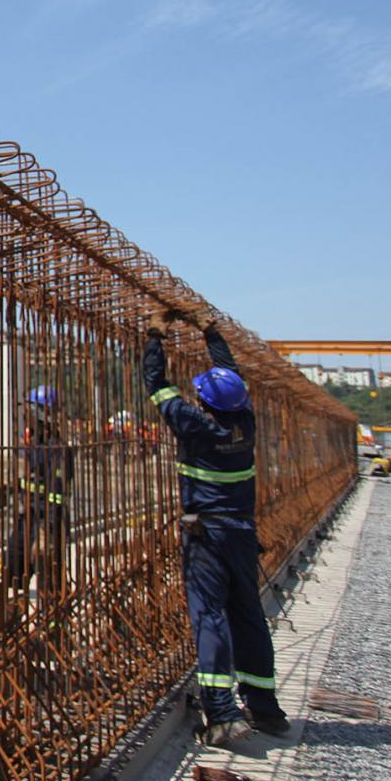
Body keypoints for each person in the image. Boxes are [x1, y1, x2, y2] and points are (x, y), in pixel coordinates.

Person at [145, 309, 288, 748]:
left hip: (205, 537)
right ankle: (265, 707)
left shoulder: (196, 425)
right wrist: (211, 334)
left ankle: (223, 713)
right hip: (241, 534)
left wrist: (155, 335)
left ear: (203, 401)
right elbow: (231, 376)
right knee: (248, 615)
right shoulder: (244, 423)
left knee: (209, 616)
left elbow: (157, 385)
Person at [3, 385, 74, 608]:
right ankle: (18, 616)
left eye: (30, 413)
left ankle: (54, 627)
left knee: (49, 577)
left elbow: (58, 492)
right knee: (13, 566)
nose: (27, 417)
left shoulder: (57, 448)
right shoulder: (34, 444)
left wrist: (47, 529)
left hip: (49, 522)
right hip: (29, 516)